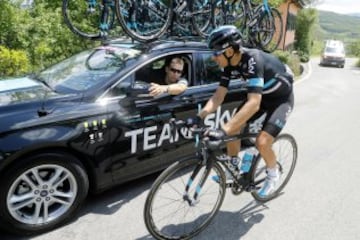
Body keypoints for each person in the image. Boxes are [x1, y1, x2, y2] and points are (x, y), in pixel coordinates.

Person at [193, 25, 294, 197]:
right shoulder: (229, 65)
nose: (214, 57)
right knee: (233, 127)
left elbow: (253, 103)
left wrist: (222, 130)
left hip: (280, 100)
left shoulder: (252, 59)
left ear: (230, 51)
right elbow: (219, 96)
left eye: (216, 53)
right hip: (261, 97)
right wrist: (200, 116)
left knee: (262, 142)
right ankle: (233, 166)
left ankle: (272, 172)